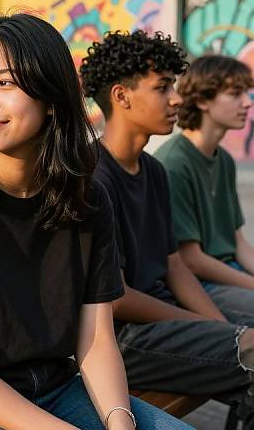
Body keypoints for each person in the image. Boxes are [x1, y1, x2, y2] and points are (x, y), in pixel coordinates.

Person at [0, 14, 193, 430]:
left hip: (54, 388)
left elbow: (97, 337)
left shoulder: (88, 197)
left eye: (6, 83)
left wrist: (120, 420)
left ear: (51, 98)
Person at [80, 30, 254, 427]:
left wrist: (220, 326)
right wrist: (204, 326)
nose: (177, 98)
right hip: (121, 339)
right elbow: (117, 299)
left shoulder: (153, 170)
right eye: (163, 87)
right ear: (121, 97)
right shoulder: (92, 178)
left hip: (166, 323)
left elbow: (175, 266)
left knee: (244, 346)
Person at [154, 56, 254, 300]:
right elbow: (191, 260)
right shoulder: (174, 164)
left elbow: (237, 240)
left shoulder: (225, 160)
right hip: (200, 285)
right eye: (235, 93)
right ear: (201, 100)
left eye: (246, 93)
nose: (247, 103)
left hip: (231, 274)